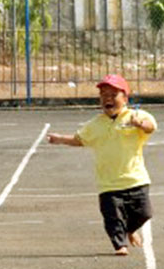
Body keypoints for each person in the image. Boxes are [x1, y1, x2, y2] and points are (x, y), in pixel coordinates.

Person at [47, 74, 157, 255]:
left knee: (145, 213)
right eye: (104, 95)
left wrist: (139, 124)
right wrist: (60, 139)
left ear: (125, 98)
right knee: (112, 217)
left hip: (136, 178)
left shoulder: (135, 116)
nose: (108, 99)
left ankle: (129, 230)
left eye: (113, 95)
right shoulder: (95, 124)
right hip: (108, 183)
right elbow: (79, 140)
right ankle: (120, 245)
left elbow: (150, 127)